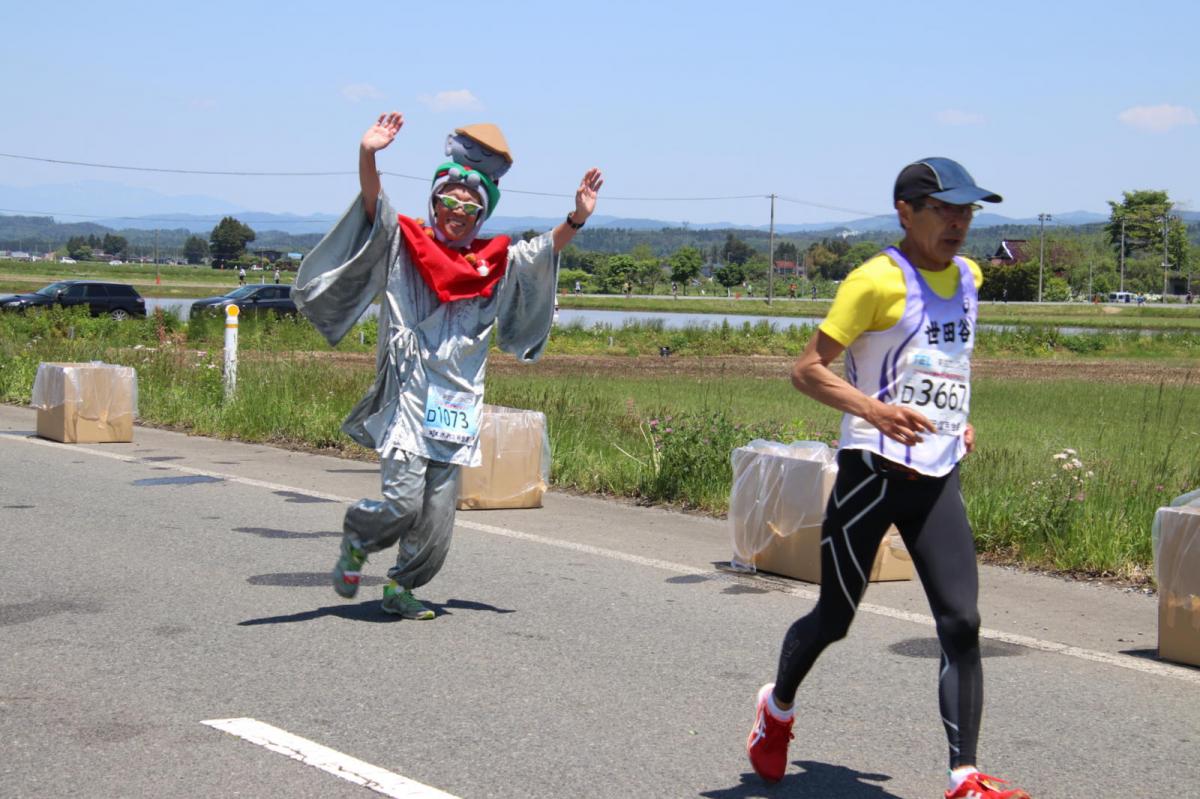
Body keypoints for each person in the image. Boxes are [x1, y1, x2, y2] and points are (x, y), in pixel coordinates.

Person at [746, 158, 1031, 799]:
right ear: (906, 211)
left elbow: (946, 362)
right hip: (871, 472)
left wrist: (958, 418)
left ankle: (964, 774)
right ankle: (777, 707)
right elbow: (807, 370)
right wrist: (874, 409)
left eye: (967, 211)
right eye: (945, 210)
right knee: (835, 618)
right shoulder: (874, 281)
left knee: (961, 620)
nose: (959, 222)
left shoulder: (969, 276)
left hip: (935, 473)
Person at [293, 111, 602, 619]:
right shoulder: (404, 243)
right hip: (408, 396)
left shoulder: (493, 261)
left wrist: (578, 218)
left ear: (481, 214)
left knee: (437, 517)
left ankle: (400, 585)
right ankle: (358, 537)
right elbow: (374, 206)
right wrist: (368, 154)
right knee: (402, 503)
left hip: (456, 403)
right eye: (448, 199)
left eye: (469, 204)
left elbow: (541, 252)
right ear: (434, 201)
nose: (456, 209)